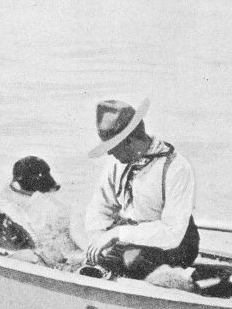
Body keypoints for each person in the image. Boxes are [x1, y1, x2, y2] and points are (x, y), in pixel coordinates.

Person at [84, 99, 200, 279]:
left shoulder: (176, 167)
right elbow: (100, 209)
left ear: (129, 141)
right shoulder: (116, 164)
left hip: (176, 243)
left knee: (132, 260)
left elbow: (172, 233)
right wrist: (98, 237)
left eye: (112, 147)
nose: (109, 153)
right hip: (130, 237)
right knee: (96, 256)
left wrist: (117, 234)